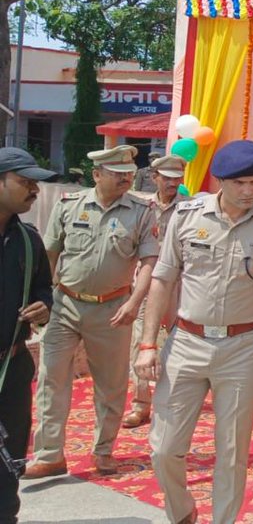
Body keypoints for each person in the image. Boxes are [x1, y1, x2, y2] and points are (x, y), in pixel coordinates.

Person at [133, 140, 253, 524]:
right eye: (240, 183)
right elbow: (162, 278)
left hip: (243, 347)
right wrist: (147, 344)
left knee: (231, 450)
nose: (250, 191)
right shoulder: (187, 216)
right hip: (187, 342)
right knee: (163, 447)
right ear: (220, 182)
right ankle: (182, 511)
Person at [24, 145, 158, 479]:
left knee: (110, 385)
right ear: (97, 175)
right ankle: (50, 454)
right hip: (64, 305)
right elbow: (50, 254)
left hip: (113, 309)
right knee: (51, 380)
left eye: (128, 173)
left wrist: (133, 303)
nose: (126, 178)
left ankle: (104, 450)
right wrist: (44, 298)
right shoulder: (69, 206)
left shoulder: (142, 212)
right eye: (117, 173)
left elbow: (148, 263)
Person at [0, 148, 55, 521]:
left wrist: (43, 307)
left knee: (8, 462)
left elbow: (43, 290)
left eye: (35, 183)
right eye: (24, 182)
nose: (33, 190)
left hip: (12, 368)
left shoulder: (28, 240)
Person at [123, 155, 189, 429]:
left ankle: (176, 399)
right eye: (167, 177)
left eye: (177, 177)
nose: (172, 182)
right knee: (141, 339)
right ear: (155, 178)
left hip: (182, 283)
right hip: (149, 280)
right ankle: (141, 404)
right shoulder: (143, 207)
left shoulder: (191, 208)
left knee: (180, 340)